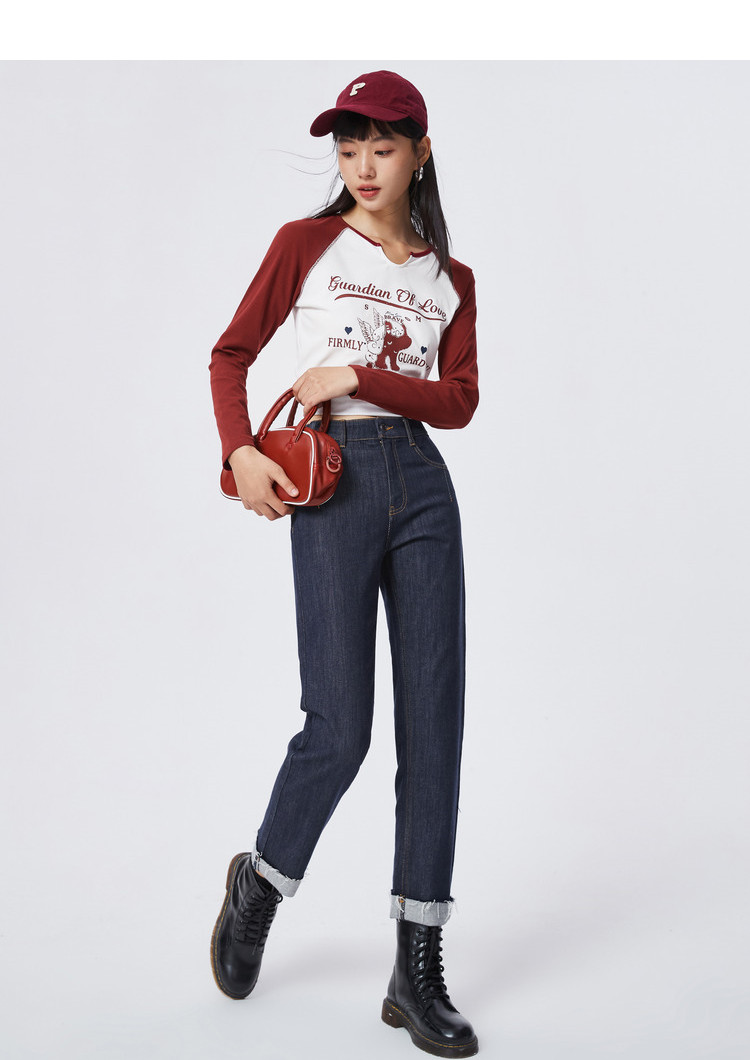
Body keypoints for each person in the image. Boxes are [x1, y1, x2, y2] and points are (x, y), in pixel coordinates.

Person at [208, 70, 480, 1058]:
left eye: (383, 147)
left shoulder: (451, 279)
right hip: (333, 486)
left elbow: (459, 400)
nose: (364, 166)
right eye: (349, 147)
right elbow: (231, 355)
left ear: (420, 153)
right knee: (340, 727)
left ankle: (417, 968)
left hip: (422, 484)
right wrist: (240, 452)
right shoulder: (305, 244)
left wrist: (356, 373)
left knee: (434, 728)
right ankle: (263, 879)